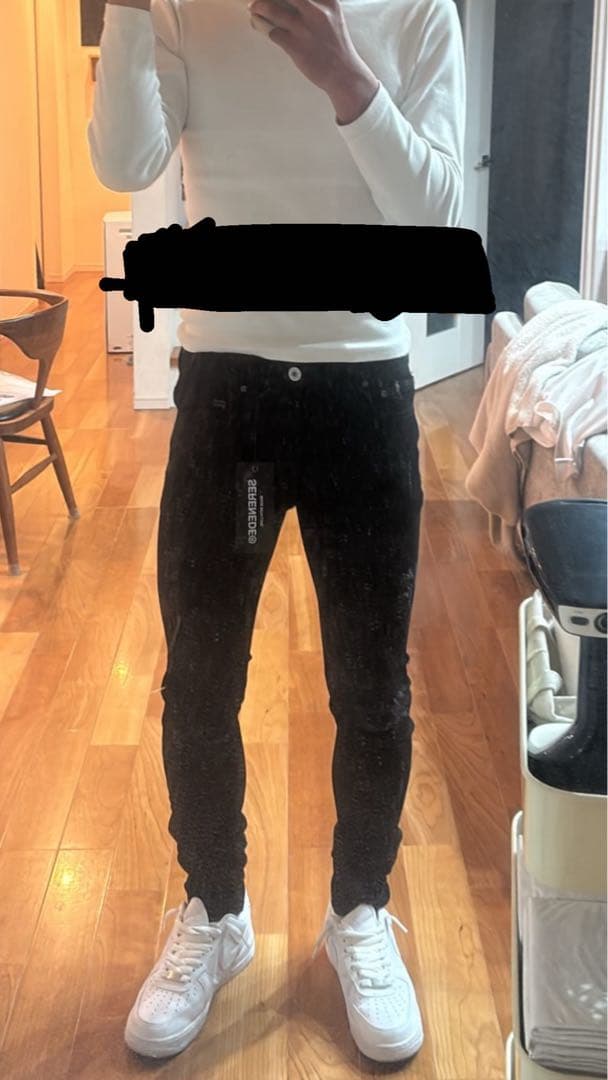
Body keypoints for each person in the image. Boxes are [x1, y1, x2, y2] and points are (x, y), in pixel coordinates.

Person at [88, 0, 465, 1063]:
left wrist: (342, 70)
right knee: (201, 679)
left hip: (360, 399)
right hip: (234, 409)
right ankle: (216, 910)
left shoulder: (418, 9)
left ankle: (359, 910)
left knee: (371, 686)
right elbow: (124, 162)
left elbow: (436, 216)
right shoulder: (177, 6)